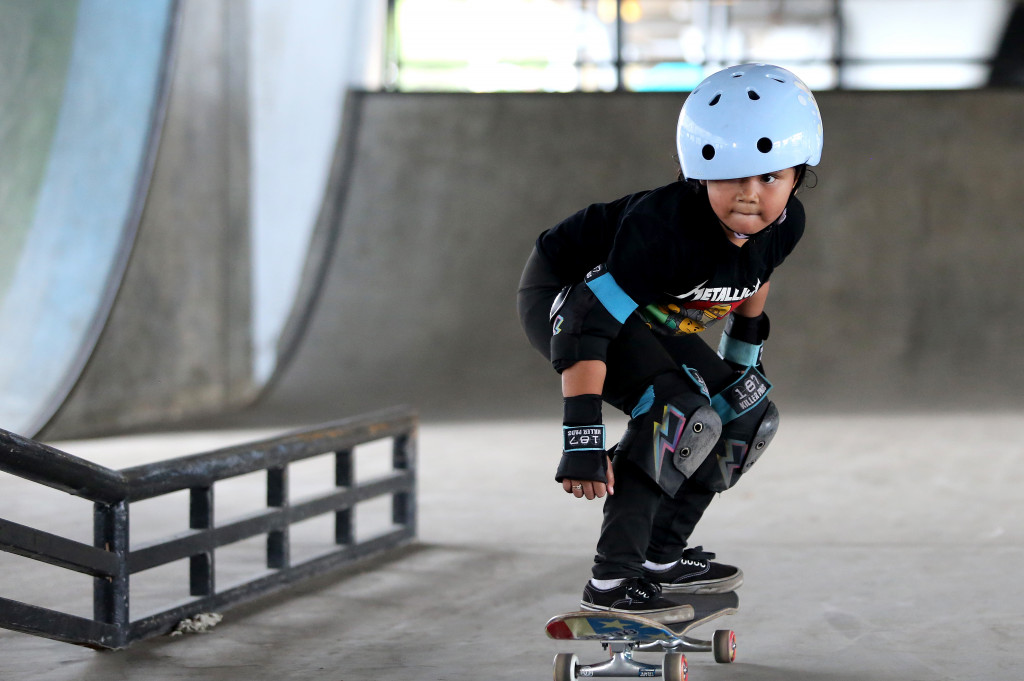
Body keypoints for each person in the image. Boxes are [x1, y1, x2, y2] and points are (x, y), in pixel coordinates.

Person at [517, 63, 823, 621]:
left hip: (649, 308)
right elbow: (587, 323)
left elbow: (756, 274)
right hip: (569, 297)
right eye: (730, 176)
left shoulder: (786, 223)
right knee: (675, 414)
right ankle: (612, 580)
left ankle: (660, 558)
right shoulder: (664, 231)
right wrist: (582, 436)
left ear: (797, 178)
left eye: (769, 178)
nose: (749, 196)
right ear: (698, 175)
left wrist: (742, 363)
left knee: (745, 413)